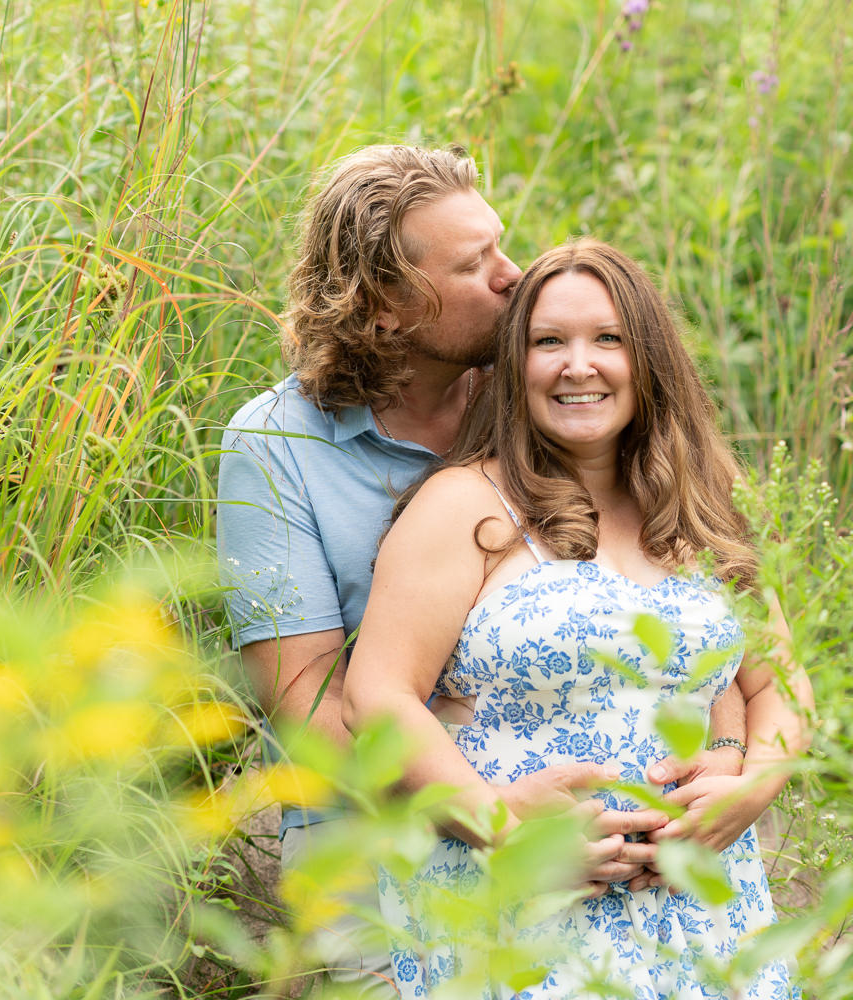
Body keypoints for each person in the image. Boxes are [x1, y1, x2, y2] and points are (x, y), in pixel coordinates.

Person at [217, 147, 747, 990]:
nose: (514, 276)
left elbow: (673, 583)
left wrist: (722, 751)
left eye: (502, 245)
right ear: (386, 305)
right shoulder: (273, 448)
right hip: (374, 854)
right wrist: (490, 813)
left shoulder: (540, 390)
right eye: (475, 265)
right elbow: (307, 709)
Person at [343, 239, 813, 998]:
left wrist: (756, 781)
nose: (577, 365)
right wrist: (502, 821)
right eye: (547, 342)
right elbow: (378, 698)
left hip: (704, 913)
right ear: (513, 365)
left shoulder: (708, 501)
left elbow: (778, 683)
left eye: (608, 339)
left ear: (648, 357)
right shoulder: (464, 505)